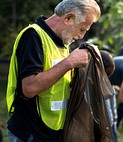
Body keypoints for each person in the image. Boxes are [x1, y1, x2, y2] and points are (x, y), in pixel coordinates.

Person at [6, 0, 101, 142]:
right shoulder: (33, 36)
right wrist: (69, 62)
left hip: (51, 131)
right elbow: (29, 88)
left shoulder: (63, 42)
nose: (81, 36)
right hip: (30, 132)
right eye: (82, 29)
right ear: (68, 18)